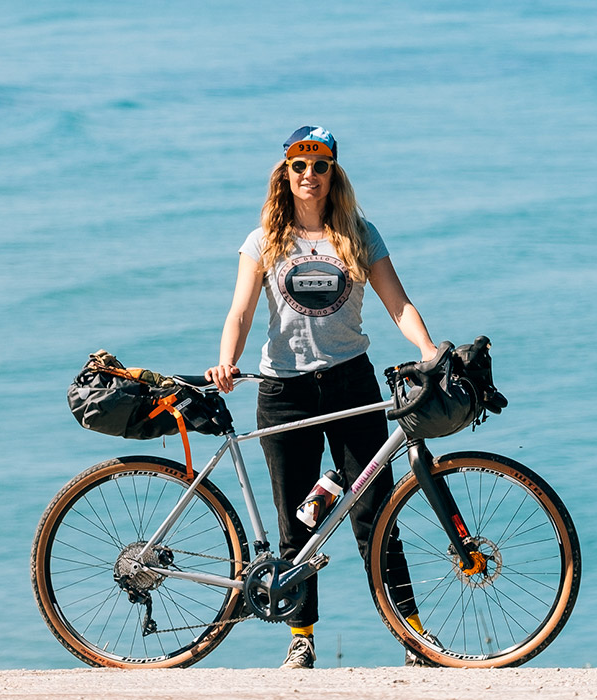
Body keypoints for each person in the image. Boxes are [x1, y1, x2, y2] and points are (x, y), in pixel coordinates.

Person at [205, 126, 438, 669]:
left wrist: (427, 349)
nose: (309, 175)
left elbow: (398, 304)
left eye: (320, 165)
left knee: (376, 516)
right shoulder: (264, 238)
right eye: (299, 165)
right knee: (294, 524)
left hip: (350, 381)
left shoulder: (359, 233)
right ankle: (301, 639)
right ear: (285, 173)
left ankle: (414, 637)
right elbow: (239, 311)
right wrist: (226, 358)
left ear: (335, 173)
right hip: (282, 390)